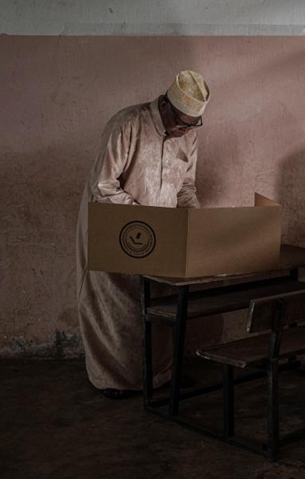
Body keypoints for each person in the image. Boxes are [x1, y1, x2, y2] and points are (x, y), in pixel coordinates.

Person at [76, 70, 210, 399]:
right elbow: (103, 187)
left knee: (160, 300)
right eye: (181, 123)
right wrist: (146, 218)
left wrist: (195, 221)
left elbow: (186, 186)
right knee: (118, 304)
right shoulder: (127, 124)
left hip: (161, 233)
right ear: (164, 106)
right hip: (114, 224)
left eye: (193, 125)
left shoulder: (188, 134)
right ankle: (115, 380)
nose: (185, 131)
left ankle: (159, 376)